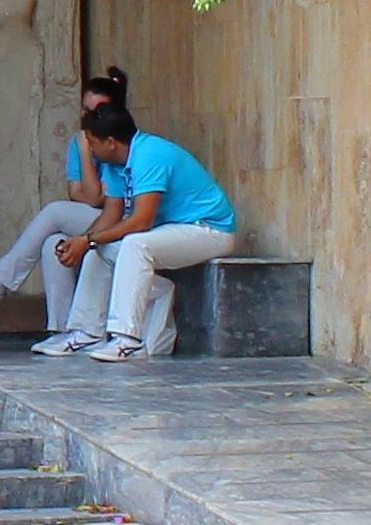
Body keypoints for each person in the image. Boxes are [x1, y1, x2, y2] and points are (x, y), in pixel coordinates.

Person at [0, 65, 139, 344]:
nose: (88, 118)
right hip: (94, 217)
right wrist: (84, 150)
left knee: (54, 211)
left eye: (96, 111)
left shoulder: (119, 140)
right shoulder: (79, 144)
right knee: (53, 244)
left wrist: (88, 153)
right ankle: (64, 331)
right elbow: (81, 195)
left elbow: (96, 198)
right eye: (85, 111)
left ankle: (0, 280)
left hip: (121, 219)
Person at [66, 95, 240, 360]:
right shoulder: (115, 164)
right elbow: (112, 215)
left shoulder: (149, 155)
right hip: (173, 229)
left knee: (135, 244)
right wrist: (81, 241)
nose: (88, 150)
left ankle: (128, 339)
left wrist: (87, 240)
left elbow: (140, 222)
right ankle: (85, 332)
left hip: (209, 230)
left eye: (92, 143)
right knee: (99, 249)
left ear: (111, 143)